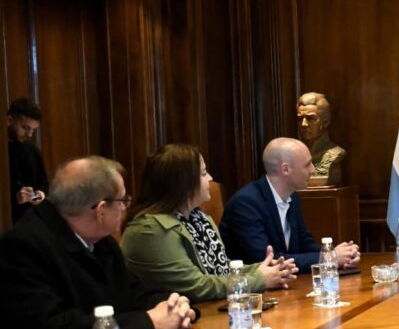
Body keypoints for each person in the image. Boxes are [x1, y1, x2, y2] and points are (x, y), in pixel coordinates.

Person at [0, 156, 196, 329]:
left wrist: (175, 304)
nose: (126, 207)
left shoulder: (101, 242)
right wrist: (149, 323)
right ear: (101, 210)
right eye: (123, 200)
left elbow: (133, 292)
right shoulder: (22, 247)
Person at [120, 144, 298, 303]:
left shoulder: (199, 218)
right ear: (183, 182)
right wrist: (259, 279)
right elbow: (195, 286)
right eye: (204, 173)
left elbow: (218, 269)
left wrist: (266, 269)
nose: (211, 178)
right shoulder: (150, 230)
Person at [219, 138, 360, 273]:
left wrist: (339, 255)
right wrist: (330, 258)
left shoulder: (291, 196)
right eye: (307, 165)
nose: (313, 170)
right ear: (285, 169)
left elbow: (305, 245)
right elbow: (268, 261)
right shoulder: (246, 203)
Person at [6, 98, 49, 223]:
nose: (29, 135)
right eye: (25, 128)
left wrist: (39, 195)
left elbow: (44, 184)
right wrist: (15, 197)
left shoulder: (32, 149)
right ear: (9, 120)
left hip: (30, 220)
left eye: (33, 130)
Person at [297, 92, 346, 186]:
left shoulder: (335, 153)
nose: (303, 124)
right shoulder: (295, 155)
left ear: (326, 122)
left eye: (311, 118)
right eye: (300, 119)